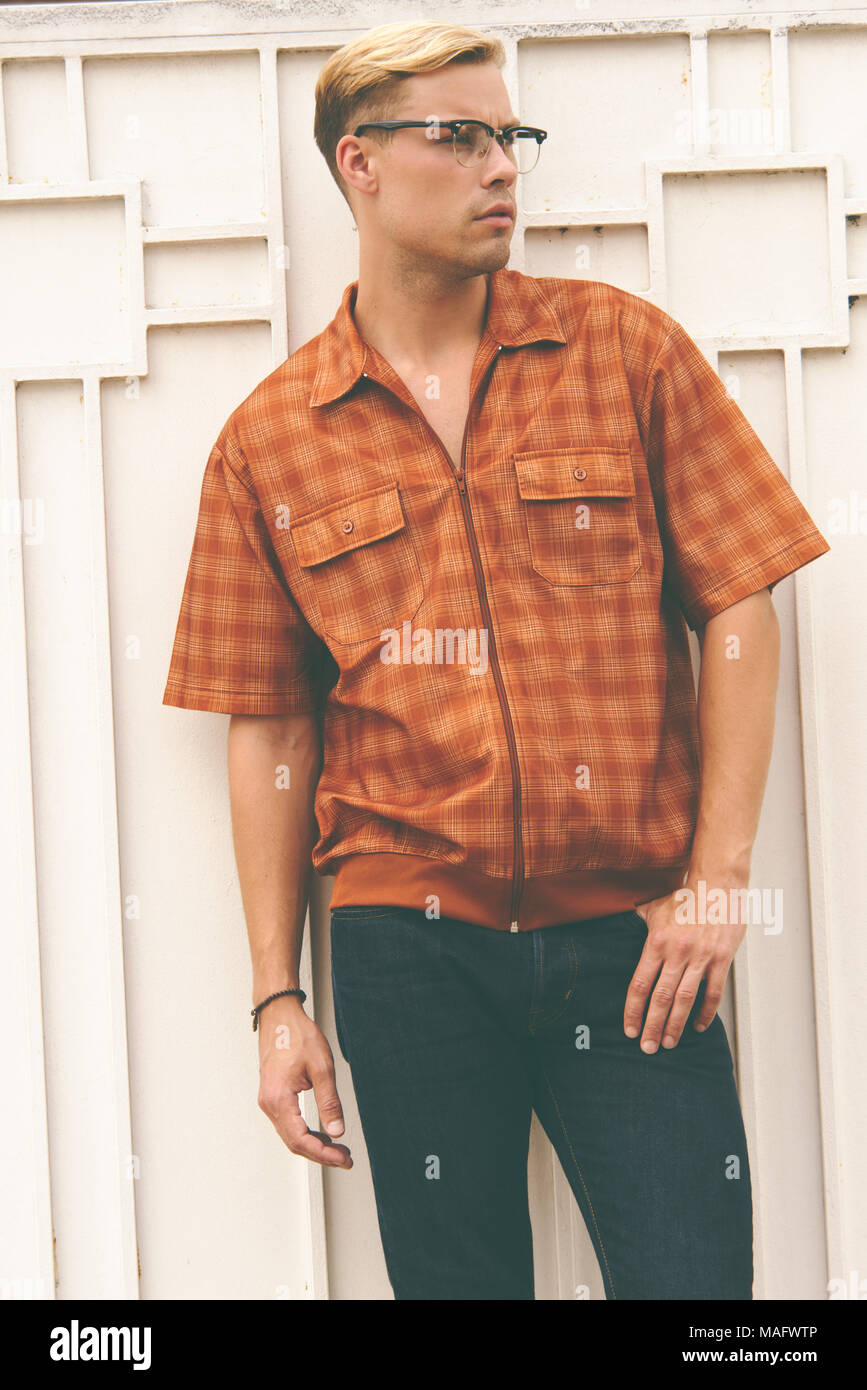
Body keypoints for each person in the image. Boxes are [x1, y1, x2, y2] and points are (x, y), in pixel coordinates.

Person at [162, 20, 831, 1299]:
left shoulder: (624, 353)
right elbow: (268, 725)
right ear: (358, 164)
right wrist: (275, 998)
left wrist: (719, 884)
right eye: (460, 138)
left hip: (634, 945)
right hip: (407, 955)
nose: (503, 169)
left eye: (510, 137)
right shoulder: (272, 441)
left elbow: (742, 599)